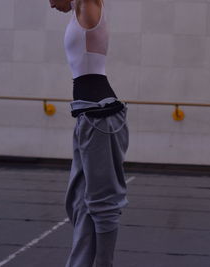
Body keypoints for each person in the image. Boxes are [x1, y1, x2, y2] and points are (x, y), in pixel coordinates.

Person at [49, 0, 130, 266]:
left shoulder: (89, 6)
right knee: (79, 202)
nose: (50, 4)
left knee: (102, 202)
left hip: (100, 117)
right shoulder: (78, 11)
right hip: (87, 115)